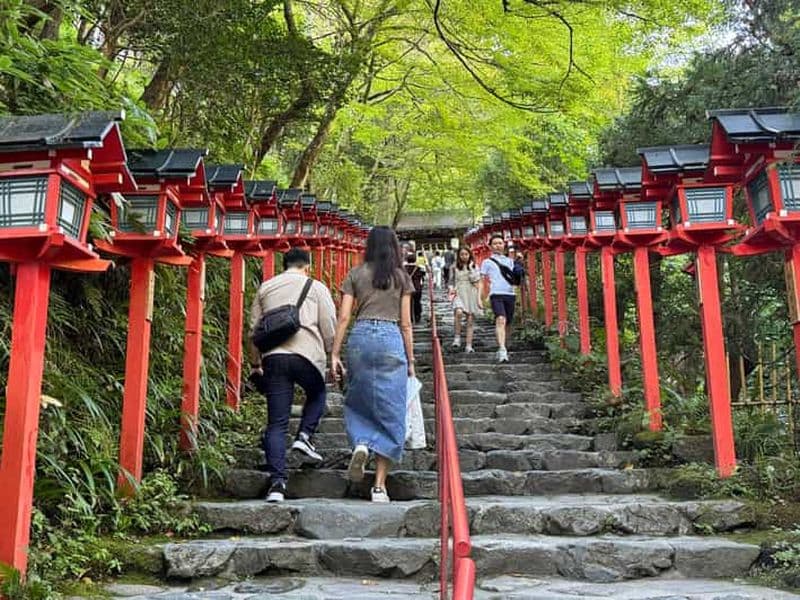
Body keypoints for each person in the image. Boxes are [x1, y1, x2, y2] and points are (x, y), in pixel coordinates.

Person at [331, 226, 416, 503]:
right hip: (391, 338)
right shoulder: (402, 277)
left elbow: (343, 317)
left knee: (359, 399)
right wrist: (411, 361)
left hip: (362, 336)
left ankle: (362, 443)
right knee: (392, 408)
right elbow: (406, 324)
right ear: (394, 247)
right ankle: (379, 486)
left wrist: (334, 354)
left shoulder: (356, 274)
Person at [248, 248, 337, 503]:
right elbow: (328, 323)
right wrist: (332, 354)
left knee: (276, 423)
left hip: (274, 358)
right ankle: (305, 436)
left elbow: (253, 328)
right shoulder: (316, 287)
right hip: (307, 355)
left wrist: (256, 364)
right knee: (318, 392)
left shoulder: (266, 287)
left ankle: (277, 484)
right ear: (306, 266)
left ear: (283, 264)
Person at [480, 234, 517, 363]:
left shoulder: (510, 261)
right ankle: (502, 349)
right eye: (495, 243)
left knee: (508, 322)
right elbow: (481, 280)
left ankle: (504, 345)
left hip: (510, 294)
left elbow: (517, 277)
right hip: (496, 293)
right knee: (500, 319)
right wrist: (481, 297)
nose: (498, 245)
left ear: (504, 245)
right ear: (490, 246)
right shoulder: (487, 262)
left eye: (500, 243)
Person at [449, 247, 481, 353]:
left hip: (471, 292)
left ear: (470, 255)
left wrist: (471, 268)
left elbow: (476, 280)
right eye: (462, 254)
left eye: (466, 254)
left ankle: (469, 344)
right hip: (459, 291)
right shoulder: (454, 267)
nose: (464, 256)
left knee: (470, 319)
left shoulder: (475, 266)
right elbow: (450, 280)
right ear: (458, 255)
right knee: (458, 312)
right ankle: (457, 337)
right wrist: (451, 289)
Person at [405, 251, 425, 324]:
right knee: (417, 302)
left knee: (407, 303)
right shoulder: (419, 268)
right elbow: (423, 276)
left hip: (407, 288)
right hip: (417, 287)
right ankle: (417, 316)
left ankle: (409, 316)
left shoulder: (403, 268)